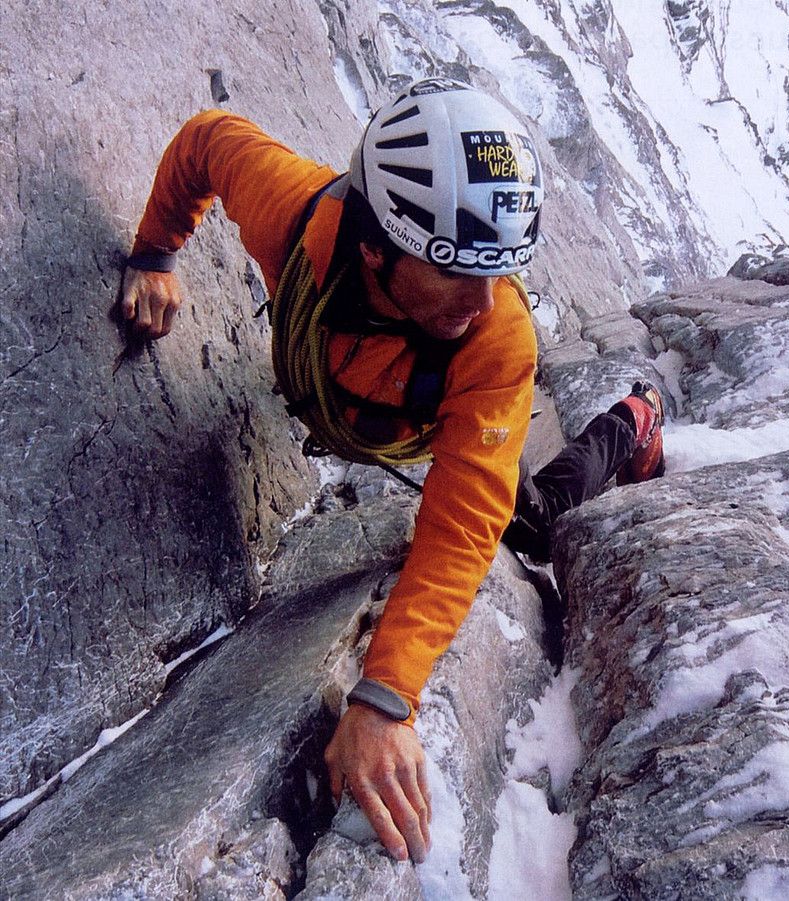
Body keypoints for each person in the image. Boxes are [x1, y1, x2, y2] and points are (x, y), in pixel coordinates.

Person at [121, 78, 665, 865]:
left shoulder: (495, 343)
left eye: (500, 271)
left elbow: (460, 528)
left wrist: (385, 694)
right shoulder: (299, 214)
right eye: (458, 272)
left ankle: (634, 418)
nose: (485, 301)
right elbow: (209, 140)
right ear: (376, 245)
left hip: (438, 428)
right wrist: (155, 249)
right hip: (354, 406)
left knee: (535, 522)